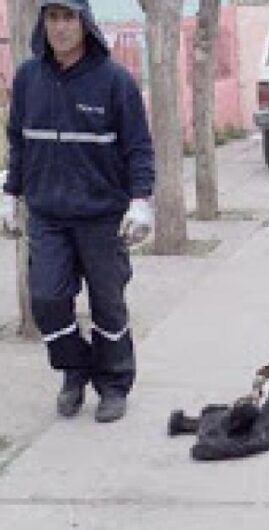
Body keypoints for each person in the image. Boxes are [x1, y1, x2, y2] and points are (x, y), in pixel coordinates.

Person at [0, 0, 155, 421]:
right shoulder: (29, 78)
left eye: (69, 17)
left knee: (108, 305)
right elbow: (19, 141)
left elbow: (139, 148)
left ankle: (114, 384)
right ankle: (74, 371)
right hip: (48, 215)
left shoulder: (114, 81)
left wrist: (141, 202)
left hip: (103, 216)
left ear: (85, 23)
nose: (61, 27)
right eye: (52, 18)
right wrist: (9, 192)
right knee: (47, 300)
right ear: (43, 24)